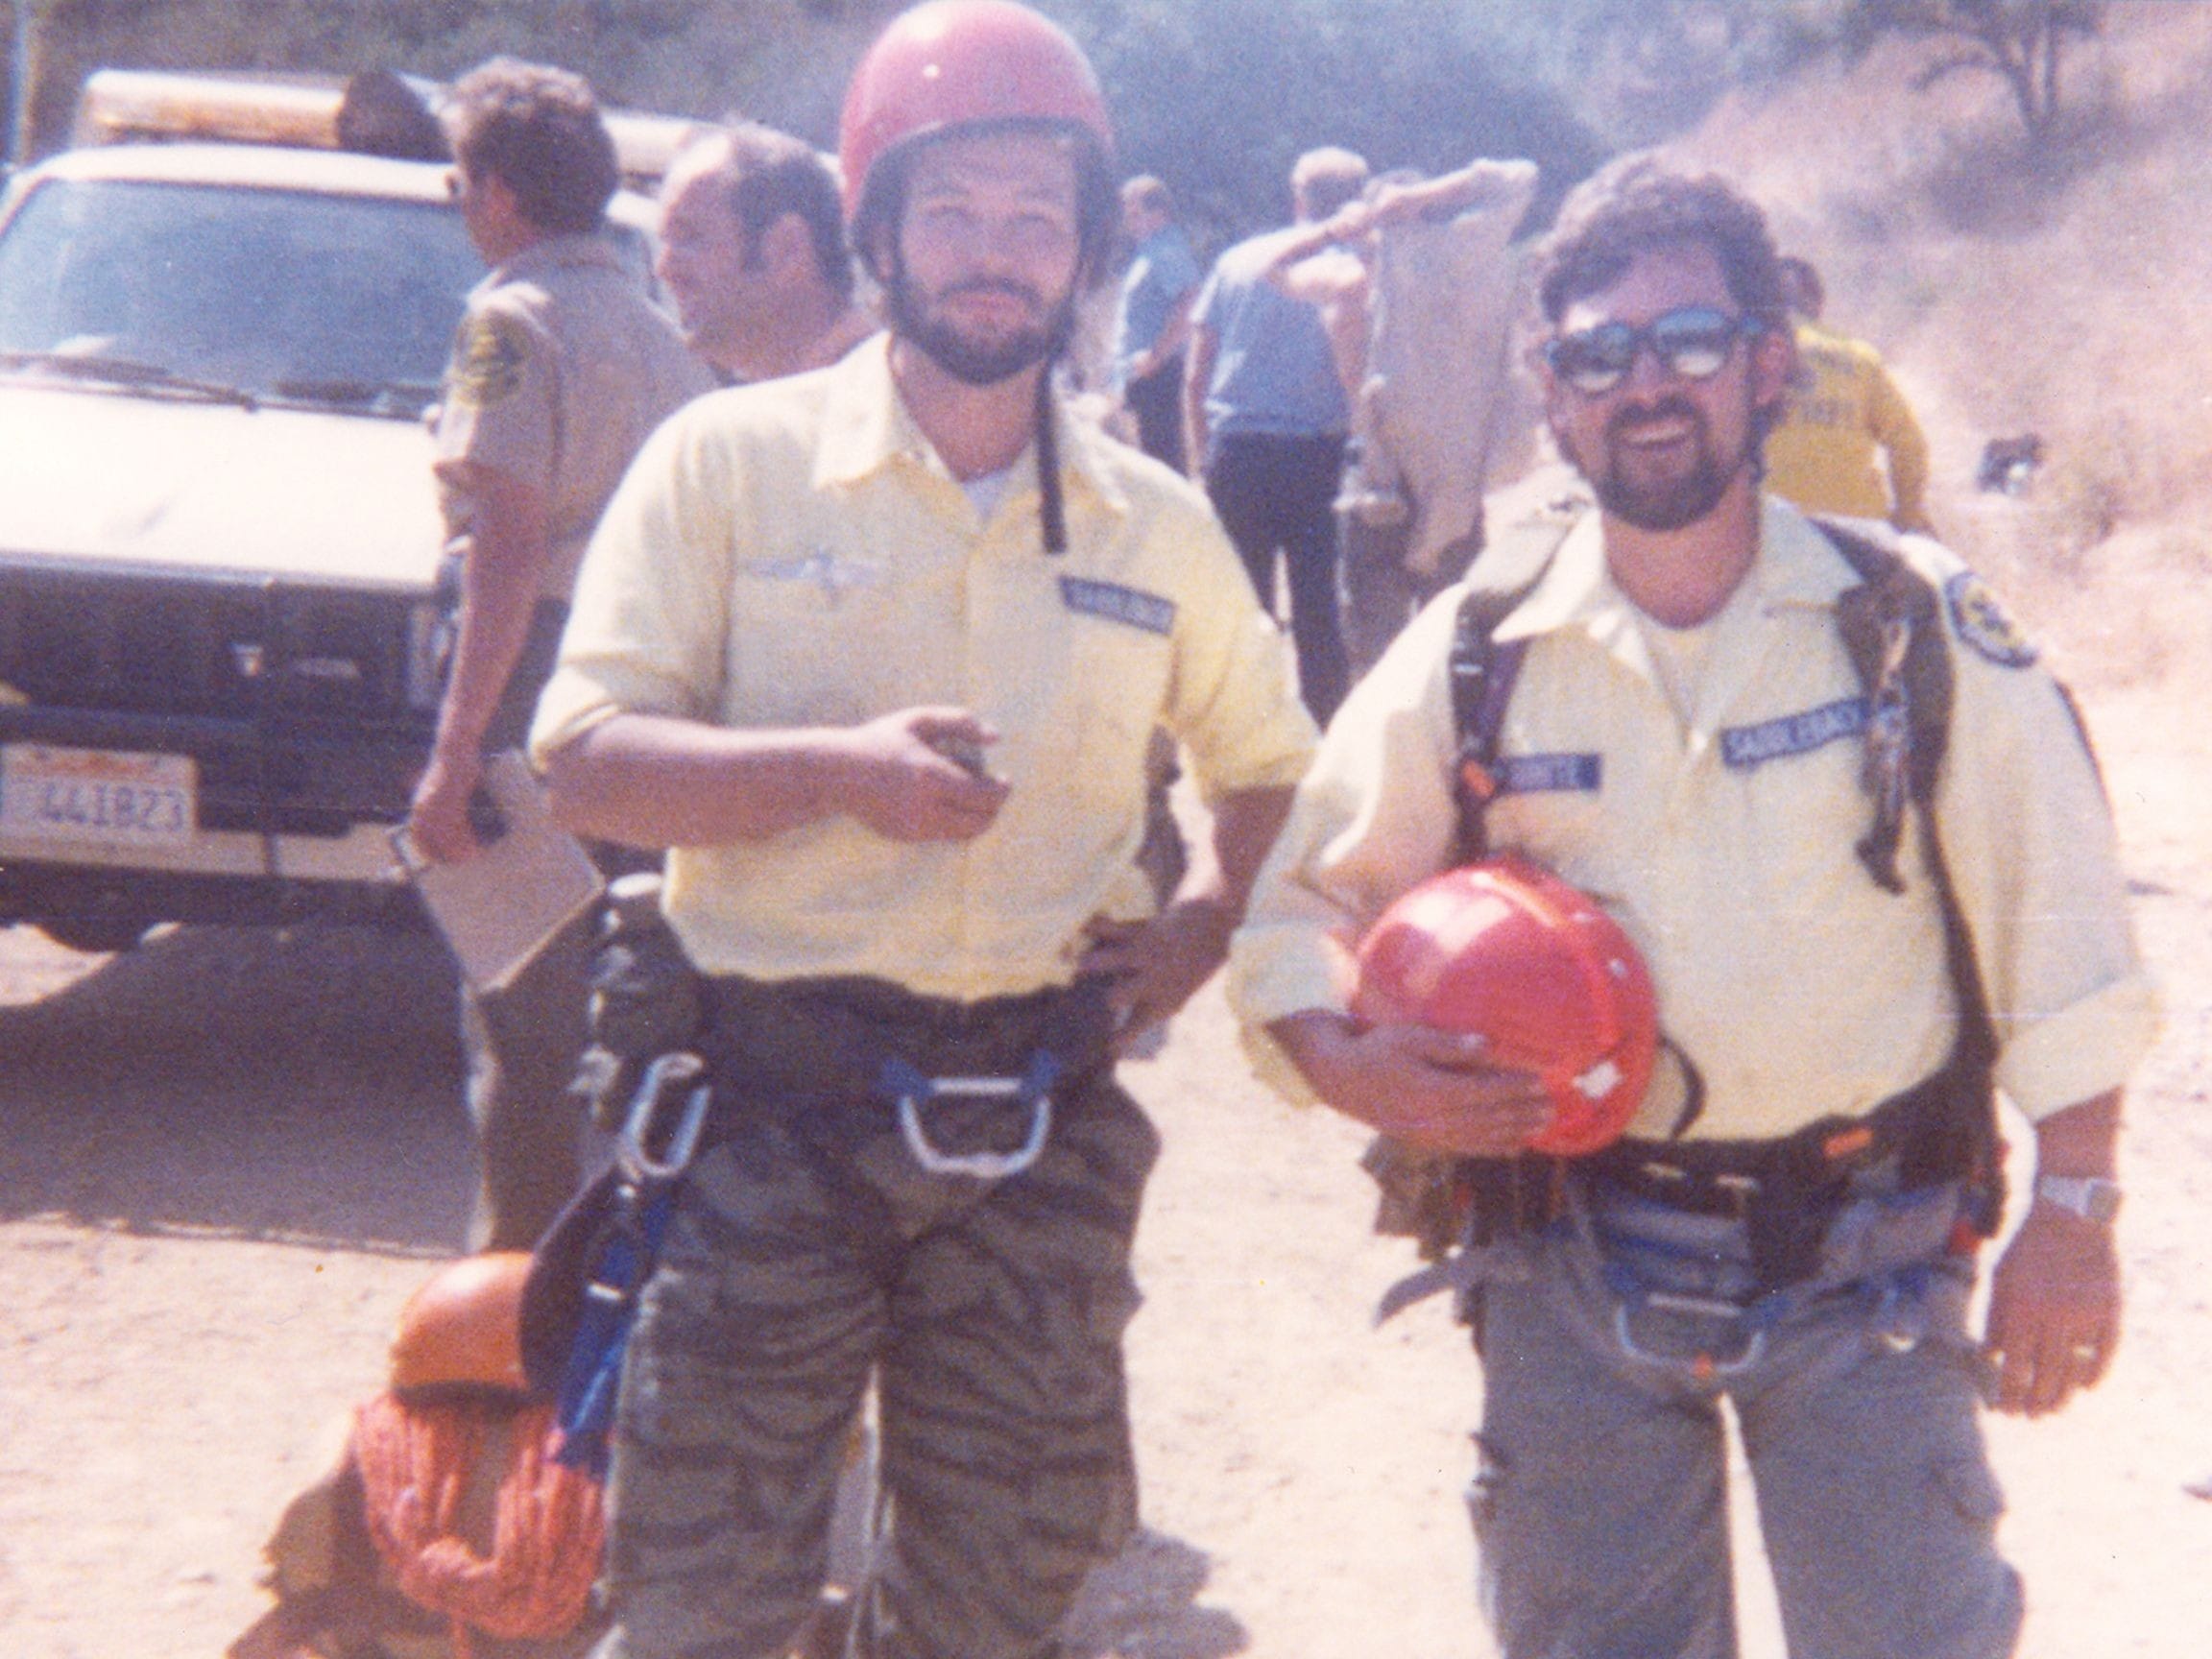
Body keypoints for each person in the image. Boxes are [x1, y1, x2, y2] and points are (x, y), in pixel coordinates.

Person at [1229, 156, 2158, 1659]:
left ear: (1768, 366)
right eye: (1600, 354)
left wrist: (2075, 1208)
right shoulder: (1480, 644)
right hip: (1573, 1265)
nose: (1644, 384)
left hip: (1870, 1261)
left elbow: (2063, 930)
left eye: (1690, 342)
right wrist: (1345, 1064)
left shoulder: (1909, 620)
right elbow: (1302, 907)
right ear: (1554, 391)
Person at [529, 5, 1318, 1655]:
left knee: (988, 1614)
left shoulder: (1152, 526)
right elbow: (585, 759)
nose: (992, 257)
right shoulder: (727, 468)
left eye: (1036, 221)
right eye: (949, 213)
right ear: (874, 231)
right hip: (764, 1119)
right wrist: (831, 769)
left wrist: (1188, 937)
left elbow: (1270, 771)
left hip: (1030, 1137)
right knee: (698, 1611)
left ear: (1086, 254)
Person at [409, 59, 711, 1252]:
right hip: (647, 683)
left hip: (527, 674)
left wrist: (451, 758)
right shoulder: (658, 334)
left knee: (519, 1011)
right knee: (639, 997)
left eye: (459, 180)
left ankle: (511, 1294)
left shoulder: (504, 323)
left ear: (495, 191)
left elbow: (506, 543)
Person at [1258, 156, 1541, 673]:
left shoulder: (1350, 280)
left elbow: (1273, 268)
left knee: (1379, 655)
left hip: (1378, 482)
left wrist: (1328, 229)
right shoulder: (1465, 271)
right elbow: (1517, 177)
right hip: (1443, 483)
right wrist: (1419, 200)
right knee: (1456, 645)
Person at [1184, 145, 1368, 725]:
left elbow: (1196, 372)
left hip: (1237, 451)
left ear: (1297, 199)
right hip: (1319, 454)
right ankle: (1325, 740)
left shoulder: (1238, 260)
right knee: (1320, 613)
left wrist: (1200, 457)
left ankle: (1252, 742)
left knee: (1244, 611)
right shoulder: (1358, 271)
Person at [654, 121, 877, 386]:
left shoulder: (884, 396)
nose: (664, 269)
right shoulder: (765, 408)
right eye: (665, 242)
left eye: (689, 238)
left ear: (787, 249)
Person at [1763, 252, 1936, 533]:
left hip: (1768, 533)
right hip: (1858, 536)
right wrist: (1909, 519)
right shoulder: (1860, 358)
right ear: (1818, 304)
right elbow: (1909, 444)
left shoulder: (1738, 358)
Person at [1107, 174, 1201, 470]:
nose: (1129, 222)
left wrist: (1157, 355)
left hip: (1158, 373)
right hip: (1141, 373)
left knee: (1162, 465)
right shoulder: (1149, 250)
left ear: (1158, 212)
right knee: (1145, 465)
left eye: (1135, 214)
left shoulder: (1166, 249)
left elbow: (1190, 300)